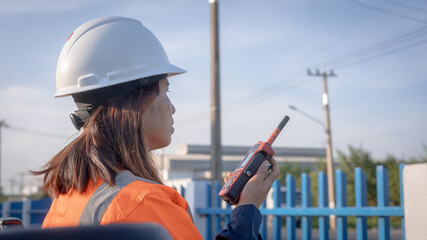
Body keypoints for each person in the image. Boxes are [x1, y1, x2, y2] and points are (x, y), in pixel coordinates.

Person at [34, 16, 279, 240]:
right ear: (134, 102)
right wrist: (247, 210)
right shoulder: (141, 204)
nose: (172, 108)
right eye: (165, 90)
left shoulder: (67, 198)